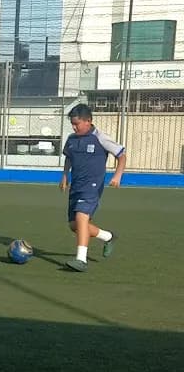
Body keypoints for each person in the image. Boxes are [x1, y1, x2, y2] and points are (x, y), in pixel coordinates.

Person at [60, 103, 127, 272]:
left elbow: (121, 154)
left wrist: (117, 175)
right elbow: (69, 157)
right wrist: (65, 175)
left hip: (92, 185)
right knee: (74, 225)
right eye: (72, 124)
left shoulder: (100, 137)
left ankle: (81, 260)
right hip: (77, 185)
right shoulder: (72, 139)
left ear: (88, 121)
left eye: (77, 124)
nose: (74, 127)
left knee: (81, 217)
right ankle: (108, 237)